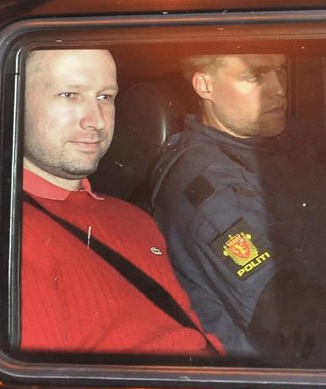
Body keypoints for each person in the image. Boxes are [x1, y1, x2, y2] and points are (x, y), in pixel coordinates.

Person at [150, 53, 326, 367]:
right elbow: (293, 320)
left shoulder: (297, 145)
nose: (279, 88)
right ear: (205, 86)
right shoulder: (205, 186)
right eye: (256, 76)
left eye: (280, 70)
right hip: (278, 373)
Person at [20, 49, 222, 356]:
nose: (96, 121)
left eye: (105, 97)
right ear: (14, 102)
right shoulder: (6, 235)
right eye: (69, 95)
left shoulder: (135, 219)